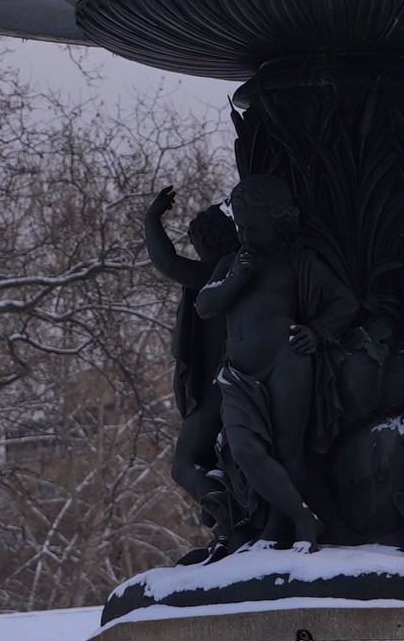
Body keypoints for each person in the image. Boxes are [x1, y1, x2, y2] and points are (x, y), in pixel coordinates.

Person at [194, 174, 357, 546]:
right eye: (241, 227)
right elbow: (205, 304)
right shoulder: (234, 263)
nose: (247, 235)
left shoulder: (298, 262)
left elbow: (344, 303)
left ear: (280, 221)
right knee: (244, 448)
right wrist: (237, 277)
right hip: (238, 374)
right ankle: (302, 517)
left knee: (287, 448)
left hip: (286, 361)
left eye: (256, 226)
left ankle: (277, 529)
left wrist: (316, 331)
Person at [143, 187, 245, 543]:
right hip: (230, 385)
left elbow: (166, 262)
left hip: (218, 391)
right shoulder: (235, 275)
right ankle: (231, 515)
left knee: (184, 465)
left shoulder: (214, 276)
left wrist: (152, 220)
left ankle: (230, 518)